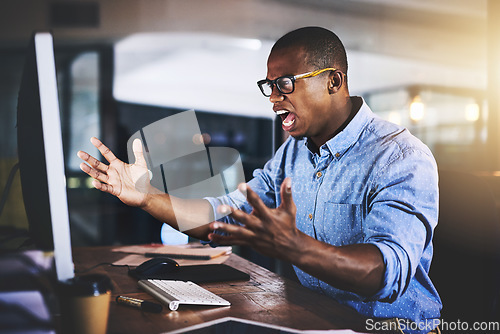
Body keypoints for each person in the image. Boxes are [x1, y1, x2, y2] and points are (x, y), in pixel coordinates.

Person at [78, 26, 441, 333]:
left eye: (285, 84)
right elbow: (226, 215)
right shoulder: (295, 152)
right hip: (321, 320)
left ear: (334, 81)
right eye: (269, 87)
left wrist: (293, 245)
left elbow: (385, 274)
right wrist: (146, 196)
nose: (274, 101)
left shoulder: (401, 157)